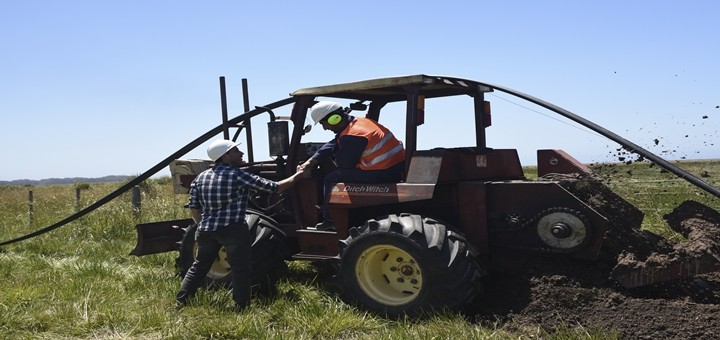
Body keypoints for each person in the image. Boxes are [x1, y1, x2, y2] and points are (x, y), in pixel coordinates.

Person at [176, 139, 308, 311]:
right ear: (225, 156)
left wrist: (201, 225)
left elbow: (194, 206)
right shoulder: (236, 175)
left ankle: (181, 301)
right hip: (232, 230)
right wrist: (299, 175)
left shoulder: (200, 177)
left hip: (206, 230)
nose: (241, 153)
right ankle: (240, 306)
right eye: (236, 151)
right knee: (240, 269)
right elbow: (275, 188)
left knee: (199, 266)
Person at [296, 101, 405, 231]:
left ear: (334, 119)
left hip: (383, 173)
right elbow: (334, 143)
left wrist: (335, 154)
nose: (325, 128)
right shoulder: (360, 123)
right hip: (396, 167)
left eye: (323, 124)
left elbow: (345, 164)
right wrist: (311, 161)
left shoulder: (354, 135)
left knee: (332, 177)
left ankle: (330, 221)